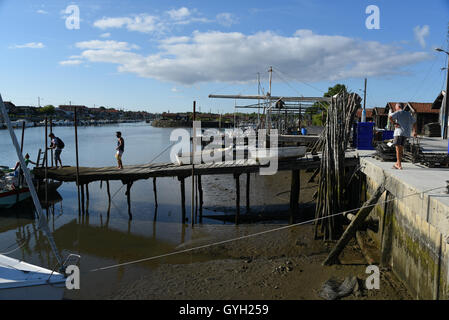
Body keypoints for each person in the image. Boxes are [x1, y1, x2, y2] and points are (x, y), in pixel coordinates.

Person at [388, 103, 417, 170]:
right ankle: (397, 163)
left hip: (399, 133)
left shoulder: (398, 112)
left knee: (397, 149)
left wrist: (394, 123)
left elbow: (390, 117)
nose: (395, 109)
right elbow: (414, 122)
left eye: (395, 107)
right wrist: (414, 131)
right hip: (406, 133)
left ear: (398, 106)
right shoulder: (408, 114)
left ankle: (399, 165)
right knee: (401, 149)